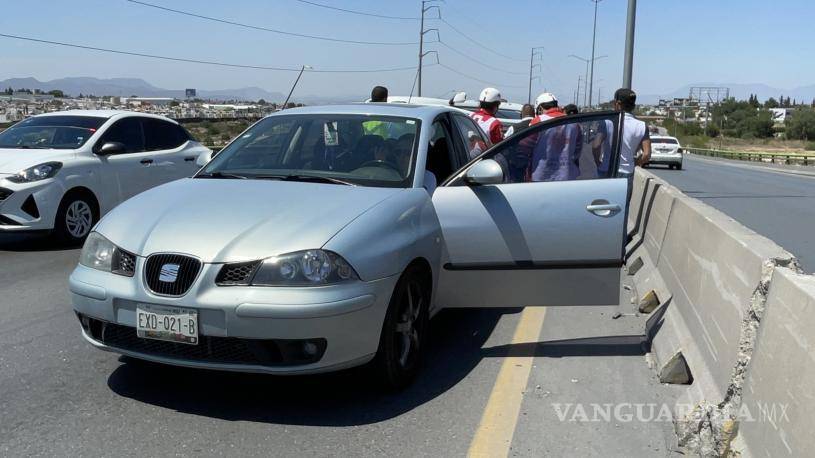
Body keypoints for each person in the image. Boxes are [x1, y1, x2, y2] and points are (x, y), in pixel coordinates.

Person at [597, 88, 651, 177]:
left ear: (617, 104)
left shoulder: (607, 122)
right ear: (633, 105)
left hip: (606, 169)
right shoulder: (642, 126)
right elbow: (646, 154)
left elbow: (596, 145)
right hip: (626, 173)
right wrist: (634, 164)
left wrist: (598, 163)